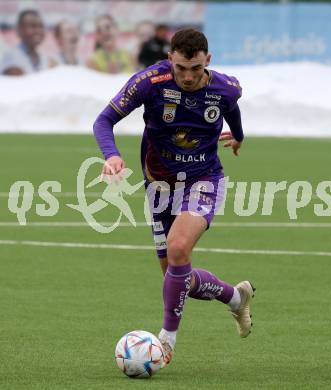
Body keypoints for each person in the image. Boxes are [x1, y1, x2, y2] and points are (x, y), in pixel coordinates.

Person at [93, 28, 255, 366]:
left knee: (180, 248)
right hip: (159, 187)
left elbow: (232, 109)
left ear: (207, 61)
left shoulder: (225, 88)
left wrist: (238, 136)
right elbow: (104, 121)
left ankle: (166, 343)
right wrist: (111, 155)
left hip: (204, 180)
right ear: (170, 59)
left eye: (195, 68)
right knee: (177, 277)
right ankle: (236, 297)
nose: (188, 76)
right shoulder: (149, 83)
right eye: (181, 68)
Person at [0, 9, 51, 75]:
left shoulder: (44, 59)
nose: (38, 31)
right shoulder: (12, 58)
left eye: (41, 26)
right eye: (33, 26)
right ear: (19, 30)